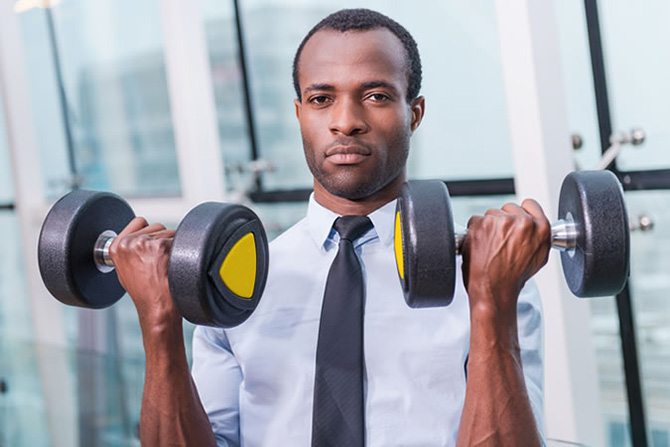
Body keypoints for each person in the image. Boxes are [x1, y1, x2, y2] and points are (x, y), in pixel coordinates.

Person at [109, 8, 549, 447]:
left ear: (414, 113)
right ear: (299, 114)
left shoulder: (487, 279)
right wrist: (159, 321)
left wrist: (490, 302)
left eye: (375, 95)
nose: (345, 121)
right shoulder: (234, 282)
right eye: (321, 99)